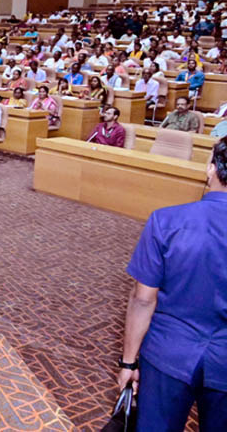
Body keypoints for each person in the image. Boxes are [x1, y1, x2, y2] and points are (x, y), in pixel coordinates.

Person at [118, 137, 227, 430]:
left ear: (211, 169)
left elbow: (143, 299)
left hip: (168, 352)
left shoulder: (166, 221)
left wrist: (128, 362)